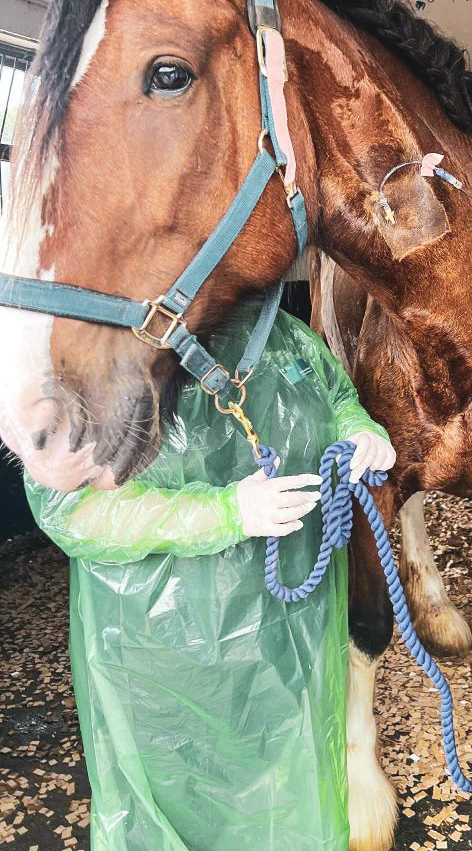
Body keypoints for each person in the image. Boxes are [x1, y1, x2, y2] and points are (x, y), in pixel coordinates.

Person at [24, 298, 395, 851]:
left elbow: (336, 395)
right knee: (176, 790)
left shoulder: (283, 338)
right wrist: (225, 513)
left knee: (285, 788)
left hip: (287, 636)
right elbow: (70, 510)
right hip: (162, 653)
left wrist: (361, 432)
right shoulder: (102, 356)